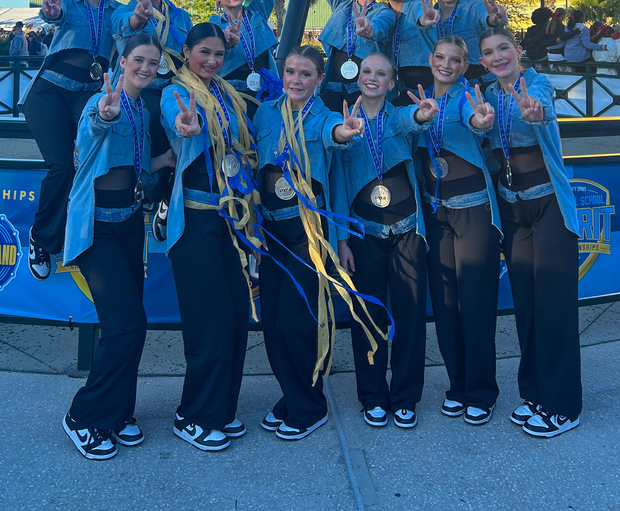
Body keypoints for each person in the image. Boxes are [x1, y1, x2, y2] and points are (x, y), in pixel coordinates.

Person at [61, 35, 170, 461]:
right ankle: (83, 416)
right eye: (138, 60)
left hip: (128, 224)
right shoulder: (100, 102)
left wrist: (160, 163)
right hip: (96, 230)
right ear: (122, 62)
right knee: (126, 325)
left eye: (153, 63)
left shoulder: (144, 109)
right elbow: (94, 130)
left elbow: (132, 159)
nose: (145, 68)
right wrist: (104, 114)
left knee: (129, 324)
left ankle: (119, 411)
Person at [253, 45, 370, 440]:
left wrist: (346, 131)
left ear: (319, 80)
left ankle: (310, 406)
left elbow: (334, 136)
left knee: (297, 319)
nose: (296, 80)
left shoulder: (324, 117)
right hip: (271, 231)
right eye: (290, 72)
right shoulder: (266, 112)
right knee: (272, 320)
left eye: (306, 74)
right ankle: (292, 395)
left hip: (308, 230)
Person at [160, 23, 262, 453]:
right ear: (186, 52)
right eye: (204, 52)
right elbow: (179, 120)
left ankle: (219, 408)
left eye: (219, 54)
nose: (213, 61)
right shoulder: (176, 93)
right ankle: (194, 415)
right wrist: (187, 125)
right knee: (209, 321)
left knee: (238, 315)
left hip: (231, 221)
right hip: (197, 220)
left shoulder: (225, 91)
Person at [477, 27, 582, 437]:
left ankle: (563, 405)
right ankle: (535, 394)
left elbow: (543, 108)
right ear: (483, 61)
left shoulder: (536, 83)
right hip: (513, 208)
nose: (498, 56)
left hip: (548, 207)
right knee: (527, 305)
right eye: (489, 52)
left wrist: (537, 115)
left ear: (517, 51)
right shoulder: (487, 94)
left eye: (504, 48)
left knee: (554, 305)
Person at [332, 53, 438, 429]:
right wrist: (342, 241)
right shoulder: (342, 121)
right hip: (363, 234)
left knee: (410, 315)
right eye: (366, 72)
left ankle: (406, 395)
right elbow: (339, 186)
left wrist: (423, 115)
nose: (373, 78)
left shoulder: (397, 116)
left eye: (381, 74)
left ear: (393, 83)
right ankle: (373, 395)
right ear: (356, 78)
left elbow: (415, 120)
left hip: (408, 229)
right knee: (367, 316)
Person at [418, 36, 501, 425]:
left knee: (477, 302)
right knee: (446, 304)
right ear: (431, 59)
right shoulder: (419, 102)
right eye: (440, 58)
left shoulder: (471, 97)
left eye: (455, 60)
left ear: (465, 66)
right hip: (437, 217)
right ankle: (457, 386)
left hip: (473, 213)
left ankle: (481, 391)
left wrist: (481, 120)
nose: (446, 65)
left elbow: (478, 120)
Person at [22, 0, 119, 281]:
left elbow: (132, 30)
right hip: (49, 93)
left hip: (86, 95)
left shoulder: (116, 11)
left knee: (86, 164)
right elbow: (54, 14)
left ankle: (74, 233)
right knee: (61, 164)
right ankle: (41, 237)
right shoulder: (67, 2)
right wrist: (50, 11)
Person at [111, 0, 193, 237]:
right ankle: (148, 194)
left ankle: (168, 201)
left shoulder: (181, 16)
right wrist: (138, 17)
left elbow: (192, 52)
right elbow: (124, 26)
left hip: (173, 91)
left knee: (191, 135)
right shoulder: (122, 12)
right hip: (139, 93)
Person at [305, 0, 395, 112]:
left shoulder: (384, 11)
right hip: (332, 88)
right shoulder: (341, 2)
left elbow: (382, 25)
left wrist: (369, 30)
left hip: (363, 91)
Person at [421, 0, 507, 81]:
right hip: (442, 84)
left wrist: (493, 20)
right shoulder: (427, 16)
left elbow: (486, 17)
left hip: (478, 85)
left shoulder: (474, 7)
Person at [380, 0, 439, 103]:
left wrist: (425, 19)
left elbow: (422, 16)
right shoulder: (380, 11)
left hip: (422, 88)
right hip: (392, 87)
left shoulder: (418, 5)